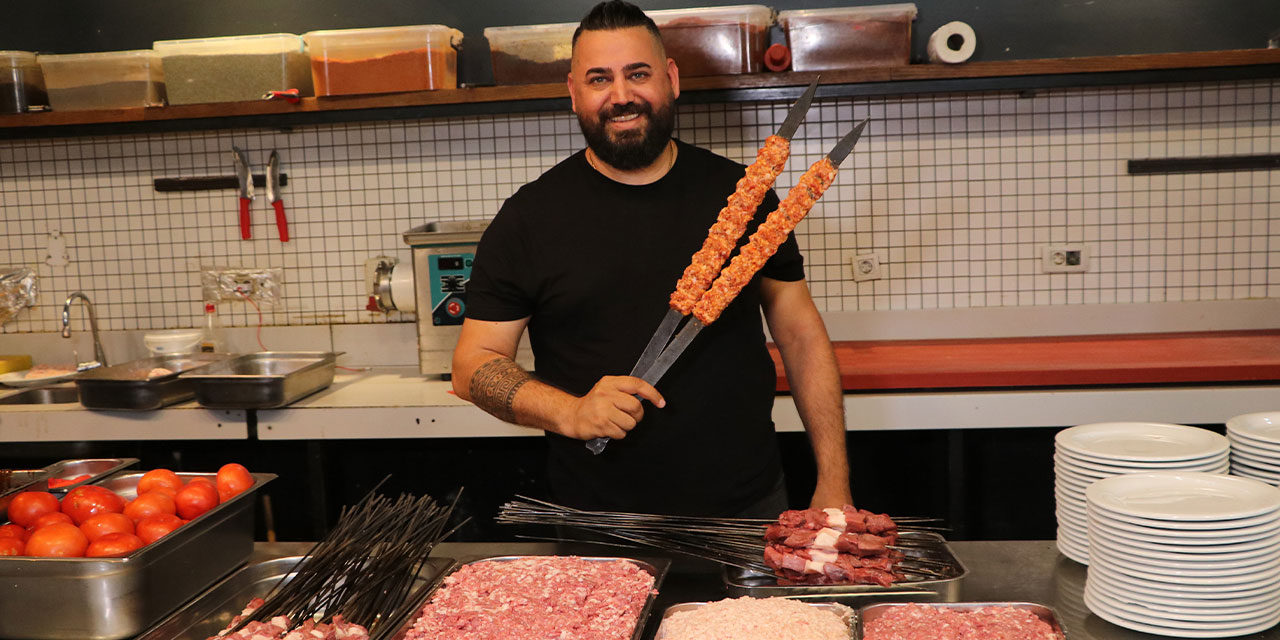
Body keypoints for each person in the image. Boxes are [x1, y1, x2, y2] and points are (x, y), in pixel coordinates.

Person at [451, 0, 851, 518]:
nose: (621, 97)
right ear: (574, 93)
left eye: (637, 74)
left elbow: (799, 334)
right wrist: (570, 412)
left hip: (747, 512)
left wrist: (835, 478)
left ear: (671, 79)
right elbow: (472, 366)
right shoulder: (529, 219)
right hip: (597, 523)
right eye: (599, 79)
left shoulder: (745, 196)